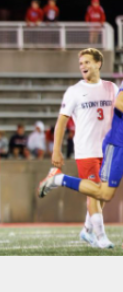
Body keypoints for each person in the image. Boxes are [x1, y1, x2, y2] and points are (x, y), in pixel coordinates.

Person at [38, 48, 117, 248]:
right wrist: (56, 149)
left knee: (103, 194)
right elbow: (61, 122)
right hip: (86, 150)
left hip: (108, 149)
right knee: (94, 193)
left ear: (98, 63)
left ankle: (86, 230)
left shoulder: (111, 87)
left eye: (87, 62)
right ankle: (100, 237)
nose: (83, 66)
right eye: (81, 63)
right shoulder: (74, 91)